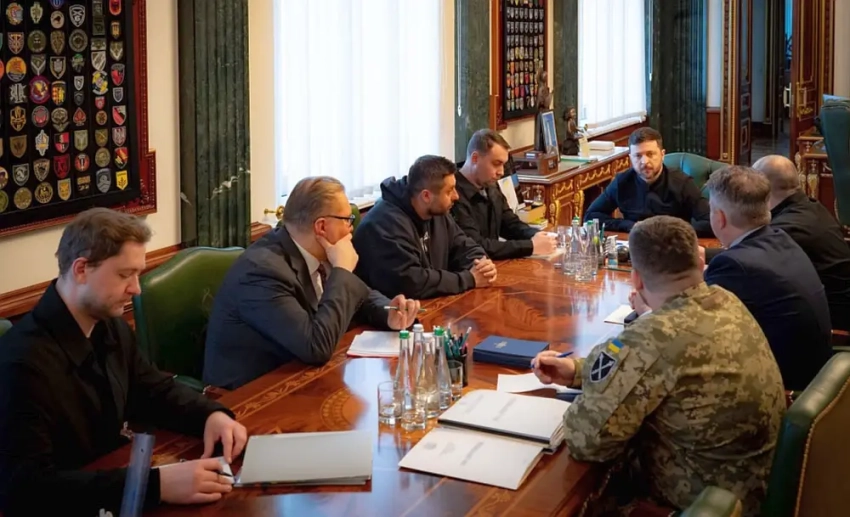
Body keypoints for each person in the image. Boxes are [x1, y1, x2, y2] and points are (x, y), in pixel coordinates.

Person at [0, 208, 248, 517]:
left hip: (111, 487)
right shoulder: (21, 363)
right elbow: (26, 491)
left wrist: (210, 415)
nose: (136, 288)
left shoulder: (108, 325)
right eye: (124, 275)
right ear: (81, 270)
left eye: (137, 274)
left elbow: (152, 391)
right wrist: (154, 485)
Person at [531, 216, 785, 515]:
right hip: (753, 484)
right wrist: (578, 371)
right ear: (698, 262)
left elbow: (587, 441)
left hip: (698, 500)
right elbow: (652, 367)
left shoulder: (656, 335)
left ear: (636, 279)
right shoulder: (725, 299)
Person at [203, 177, 420, 390]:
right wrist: (342, 270)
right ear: (322, 226)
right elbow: (316, 347)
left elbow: (361, 295)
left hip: (301, 376)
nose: (350, 228)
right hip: (251, 395)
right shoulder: (262, 272)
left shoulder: (317, 251)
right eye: (347, 220)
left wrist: (389, 313)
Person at [703, 166, 832, 391]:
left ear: (720, 218)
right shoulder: (779, 238)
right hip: (817, 377)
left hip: (784, 388)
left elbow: (698, 330)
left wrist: (647, 310)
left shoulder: (735, 265)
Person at [353, 155, 496, 299]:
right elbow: (411, 282)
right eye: (449, 191)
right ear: (426, 196)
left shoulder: (437, 211)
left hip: (428, 303)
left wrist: (481, 265)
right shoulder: (384, 224)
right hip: (394, 308)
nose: (456, 196)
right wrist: (468, 279)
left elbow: (463, 244)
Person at [753, 154, 850, 331]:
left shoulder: (793, 225)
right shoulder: (810, 207)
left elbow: (747, 253)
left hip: (833, 325)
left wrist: (702, 252)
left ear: (761, 190)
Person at [584, 127, 713, 236]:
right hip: (635, 244)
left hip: (673, 244)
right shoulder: (622, 182)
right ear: (630, 158)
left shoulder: (682, 183)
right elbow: (591, 216)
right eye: (638, 156)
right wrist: (628, 225)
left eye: (650, 154)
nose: (644, 162)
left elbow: (710, 221)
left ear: (662, 154)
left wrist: (671, 231)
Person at [451, 129, 557, 260]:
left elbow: (510, 224)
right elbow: (476, 245)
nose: (501, 172)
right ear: (475, 158)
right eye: (496, 164)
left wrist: (536, 236)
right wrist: (531, 246)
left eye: (503, 165)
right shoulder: (453, 195)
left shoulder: (490, 186)